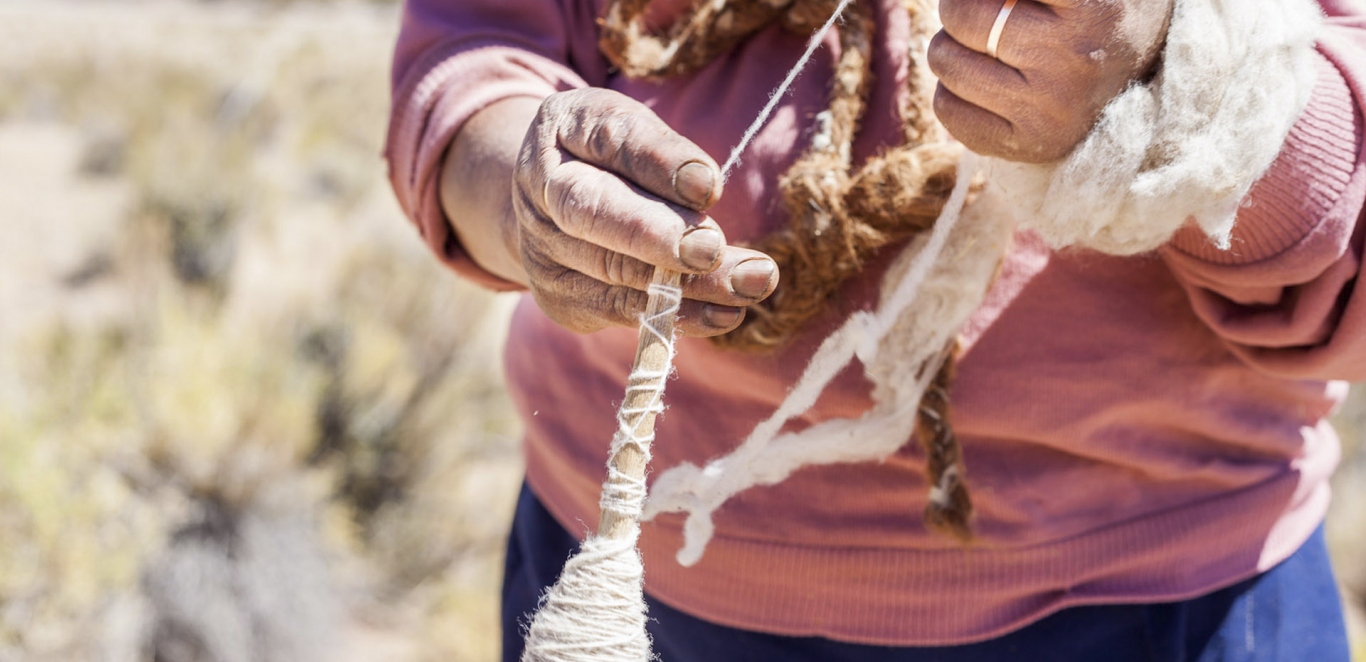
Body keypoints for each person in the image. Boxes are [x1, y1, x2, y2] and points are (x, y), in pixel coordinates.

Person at [385, 0, 1366, 659]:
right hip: (627, 581)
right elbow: (471, 59)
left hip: (1165, 608)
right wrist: (522, 192)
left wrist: (1183, 86)